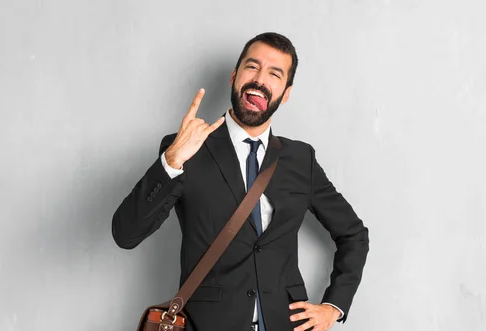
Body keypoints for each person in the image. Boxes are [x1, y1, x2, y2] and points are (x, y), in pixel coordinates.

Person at [112, 32, 369, 331]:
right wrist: (171, 162)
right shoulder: (187, 147)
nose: (260, 79)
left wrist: (333, 307)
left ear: (285, 93)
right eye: (252, 66)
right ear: (235, 76)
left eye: (274, 73)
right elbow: (125, 234)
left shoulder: (301, 159)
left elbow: (354, 234)